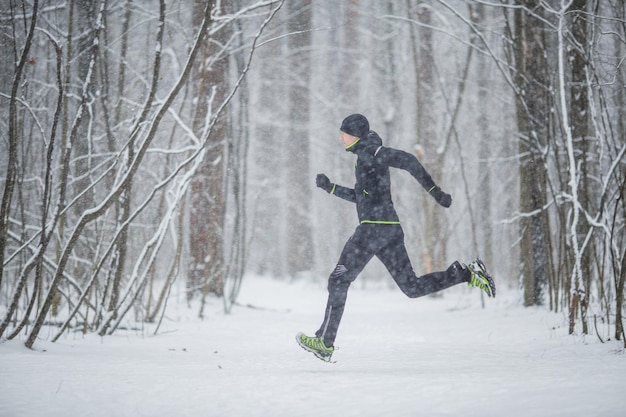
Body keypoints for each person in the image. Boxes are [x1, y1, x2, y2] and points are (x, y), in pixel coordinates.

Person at [296, 114, 495, 362]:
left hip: (372, 230)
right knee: (411, 287)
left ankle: (325, 342)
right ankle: (467, 273)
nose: (340, 137)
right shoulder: (364, 157)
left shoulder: (372, 151)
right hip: (389, 229)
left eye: (344, 132)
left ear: (355, 135)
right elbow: (363, 198)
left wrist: (436, 192)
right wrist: (331, 188)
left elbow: (408, 160)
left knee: (338, 281)